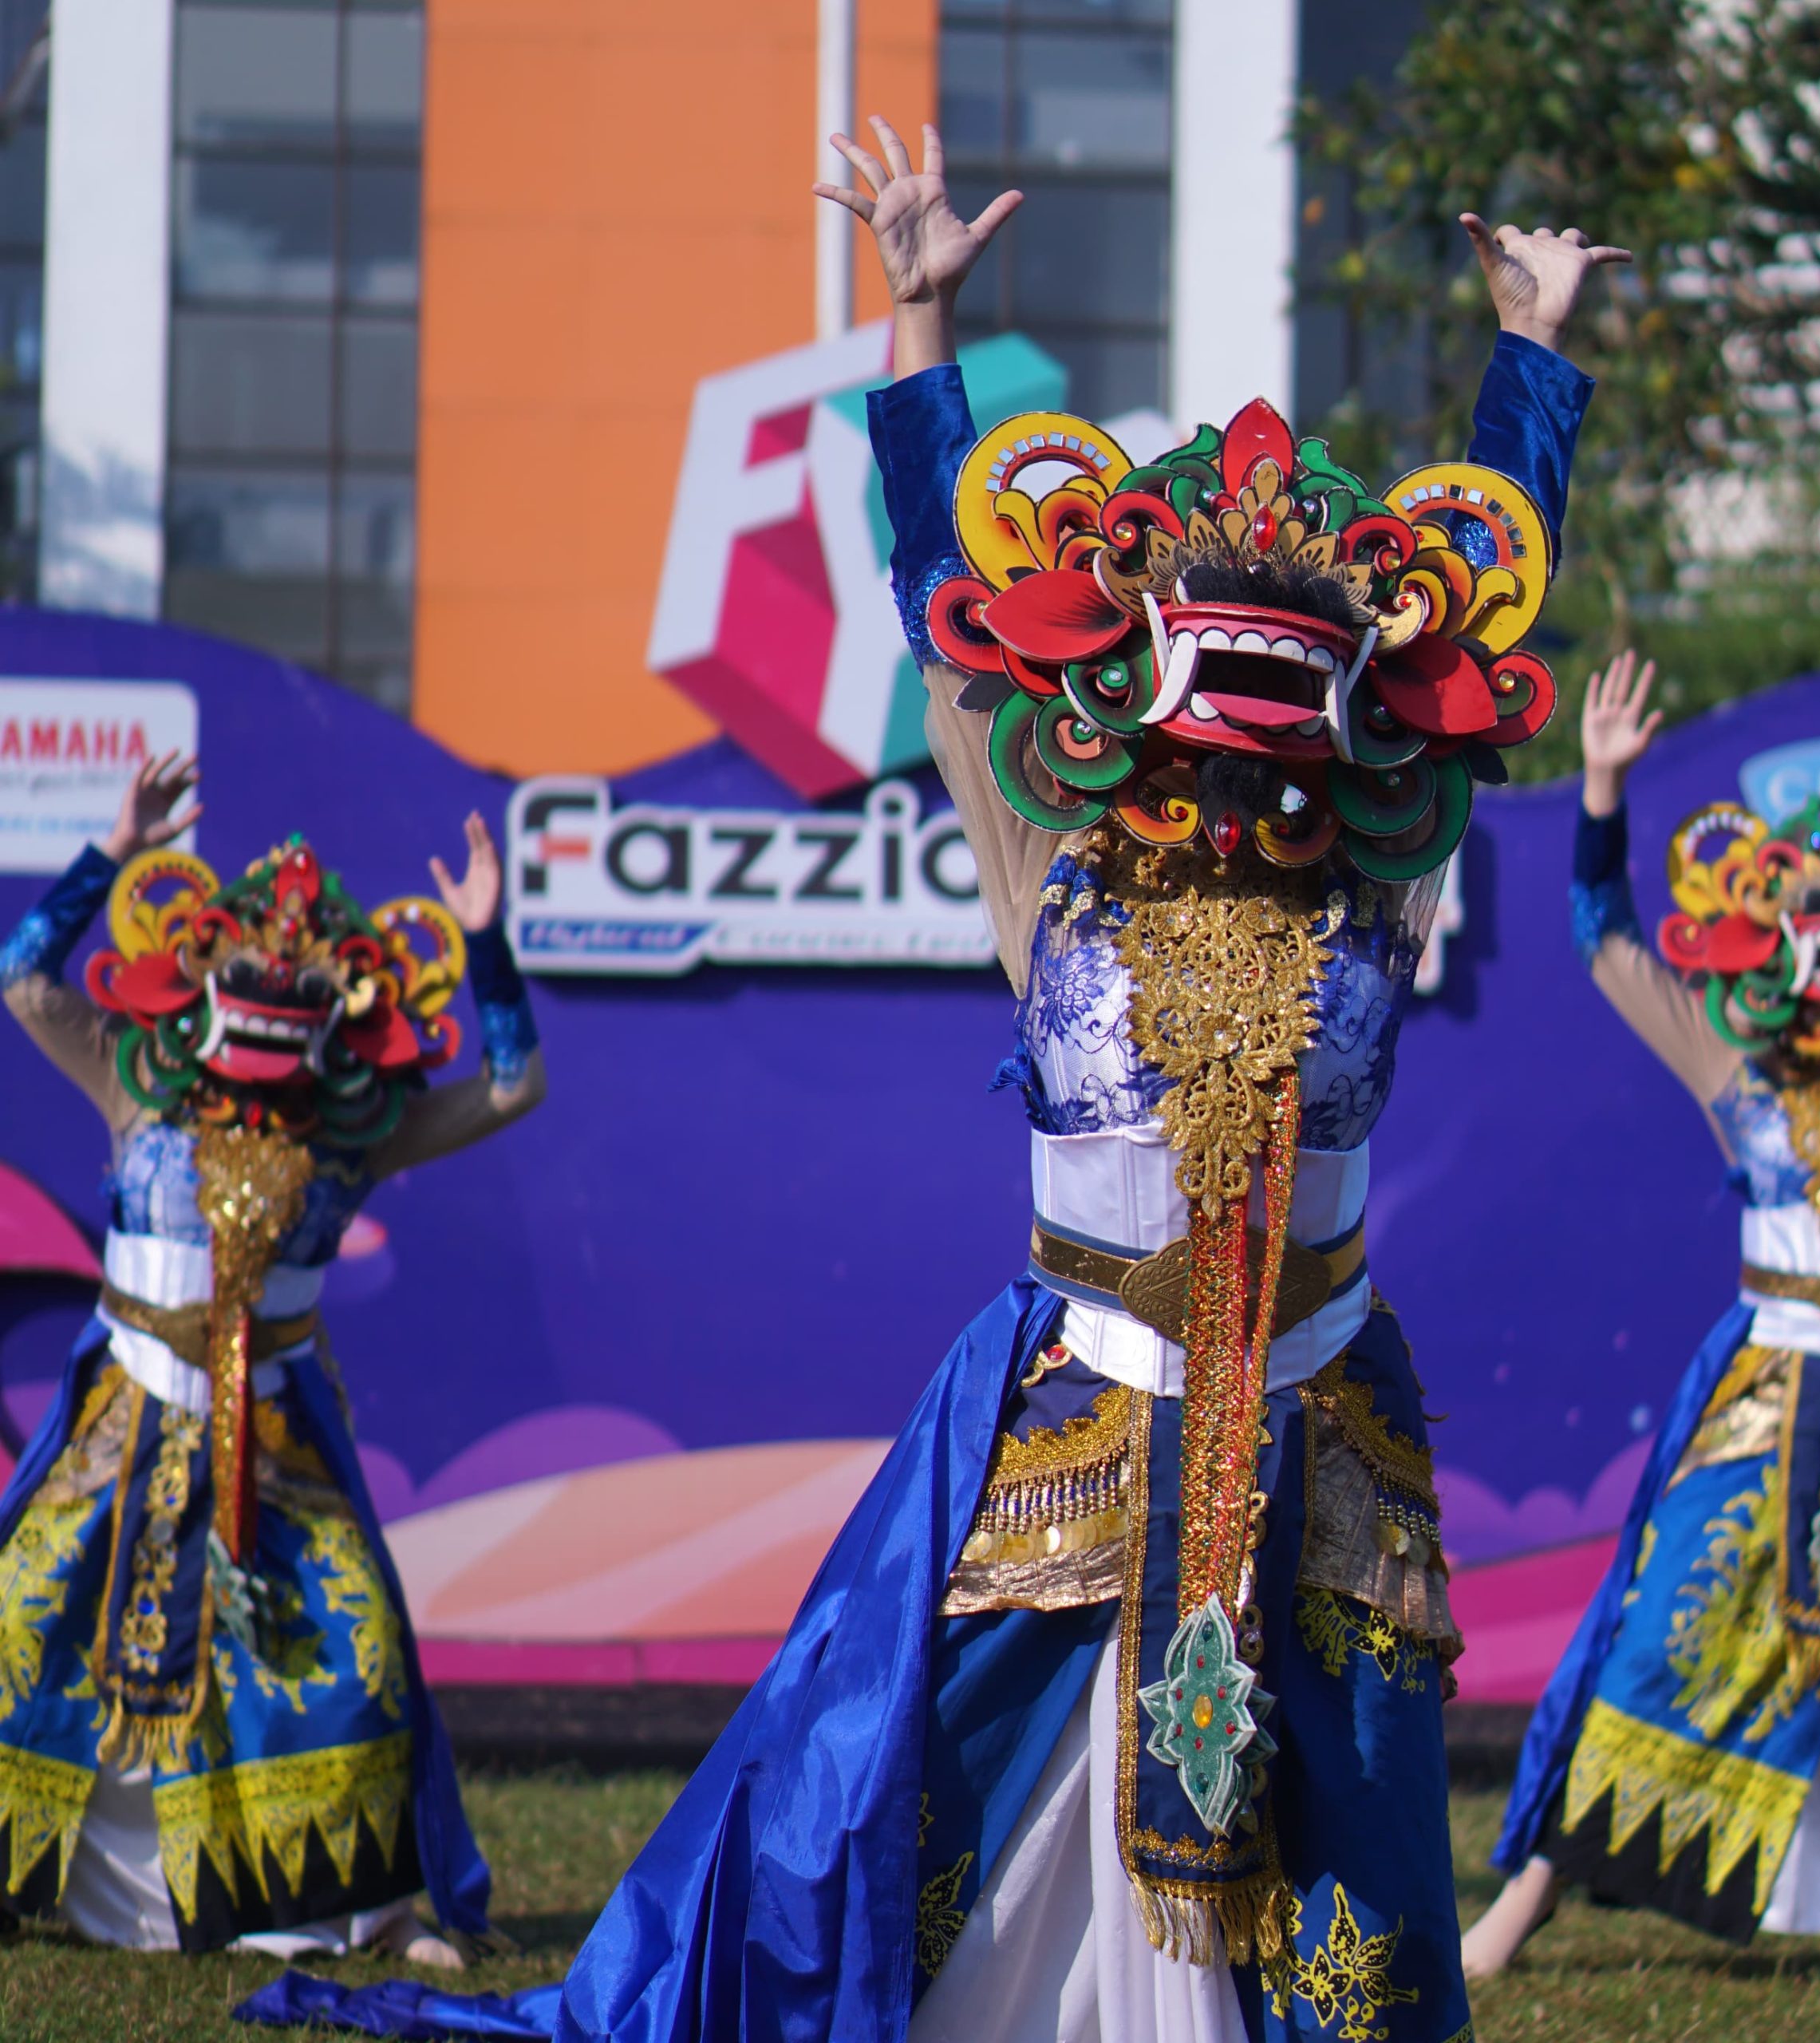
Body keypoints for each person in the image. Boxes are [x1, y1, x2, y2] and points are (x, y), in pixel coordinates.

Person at [238, 117, 1625, 2042]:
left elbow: (1465, 632)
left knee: (1346, 1866)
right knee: (892, 1804)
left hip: (1314, 1449)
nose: (1239, 768)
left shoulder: (1371, 899)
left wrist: (1529, 357)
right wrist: (920, 321)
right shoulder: (1052, 877)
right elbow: (939, 609)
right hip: (1074, 1423)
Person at [1463, 652, 1820, 1997]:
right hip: (1769, 1406)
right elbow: (1605, 937)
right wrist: (1600, 790)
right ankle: (1519, 1910)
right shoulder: (1737, 1076)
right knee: (1657, 1637)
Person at [0, 753, 545, 1962]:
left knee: (356, 1655)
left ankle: (367, 1909)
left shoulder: (356, 1139)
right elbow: (23, 976)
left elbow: (515, 1085)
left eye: (302, 982)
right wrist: (112, 852)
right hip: (122, 1421)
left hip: (276, 1437)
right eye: (250, 972)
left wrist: (485, 941)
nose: (272, 987)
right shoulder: (139, 1095)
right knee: (23, 1621)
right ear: (199, 983)